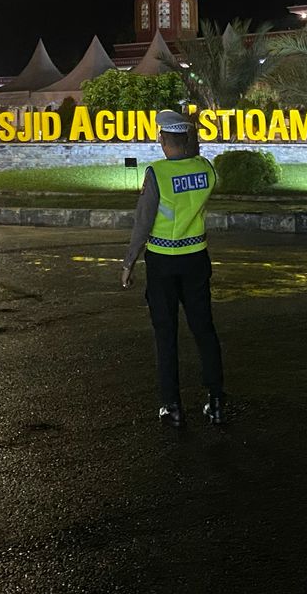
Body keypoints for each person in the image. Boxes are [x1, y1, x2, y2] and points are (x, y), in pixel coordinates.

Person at [120, 109, 225, 427]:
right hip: (196, 259)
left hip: (163, 262)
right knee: (204, 330)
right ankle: (217, 402)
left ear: (163, 139)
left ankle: (172, 406)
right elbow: (194, 167)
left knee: (166, 333)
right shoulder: (206, 169)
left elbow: (143, 222)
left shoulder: (157, 173)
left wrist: (129, 261)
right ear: (188, 139)